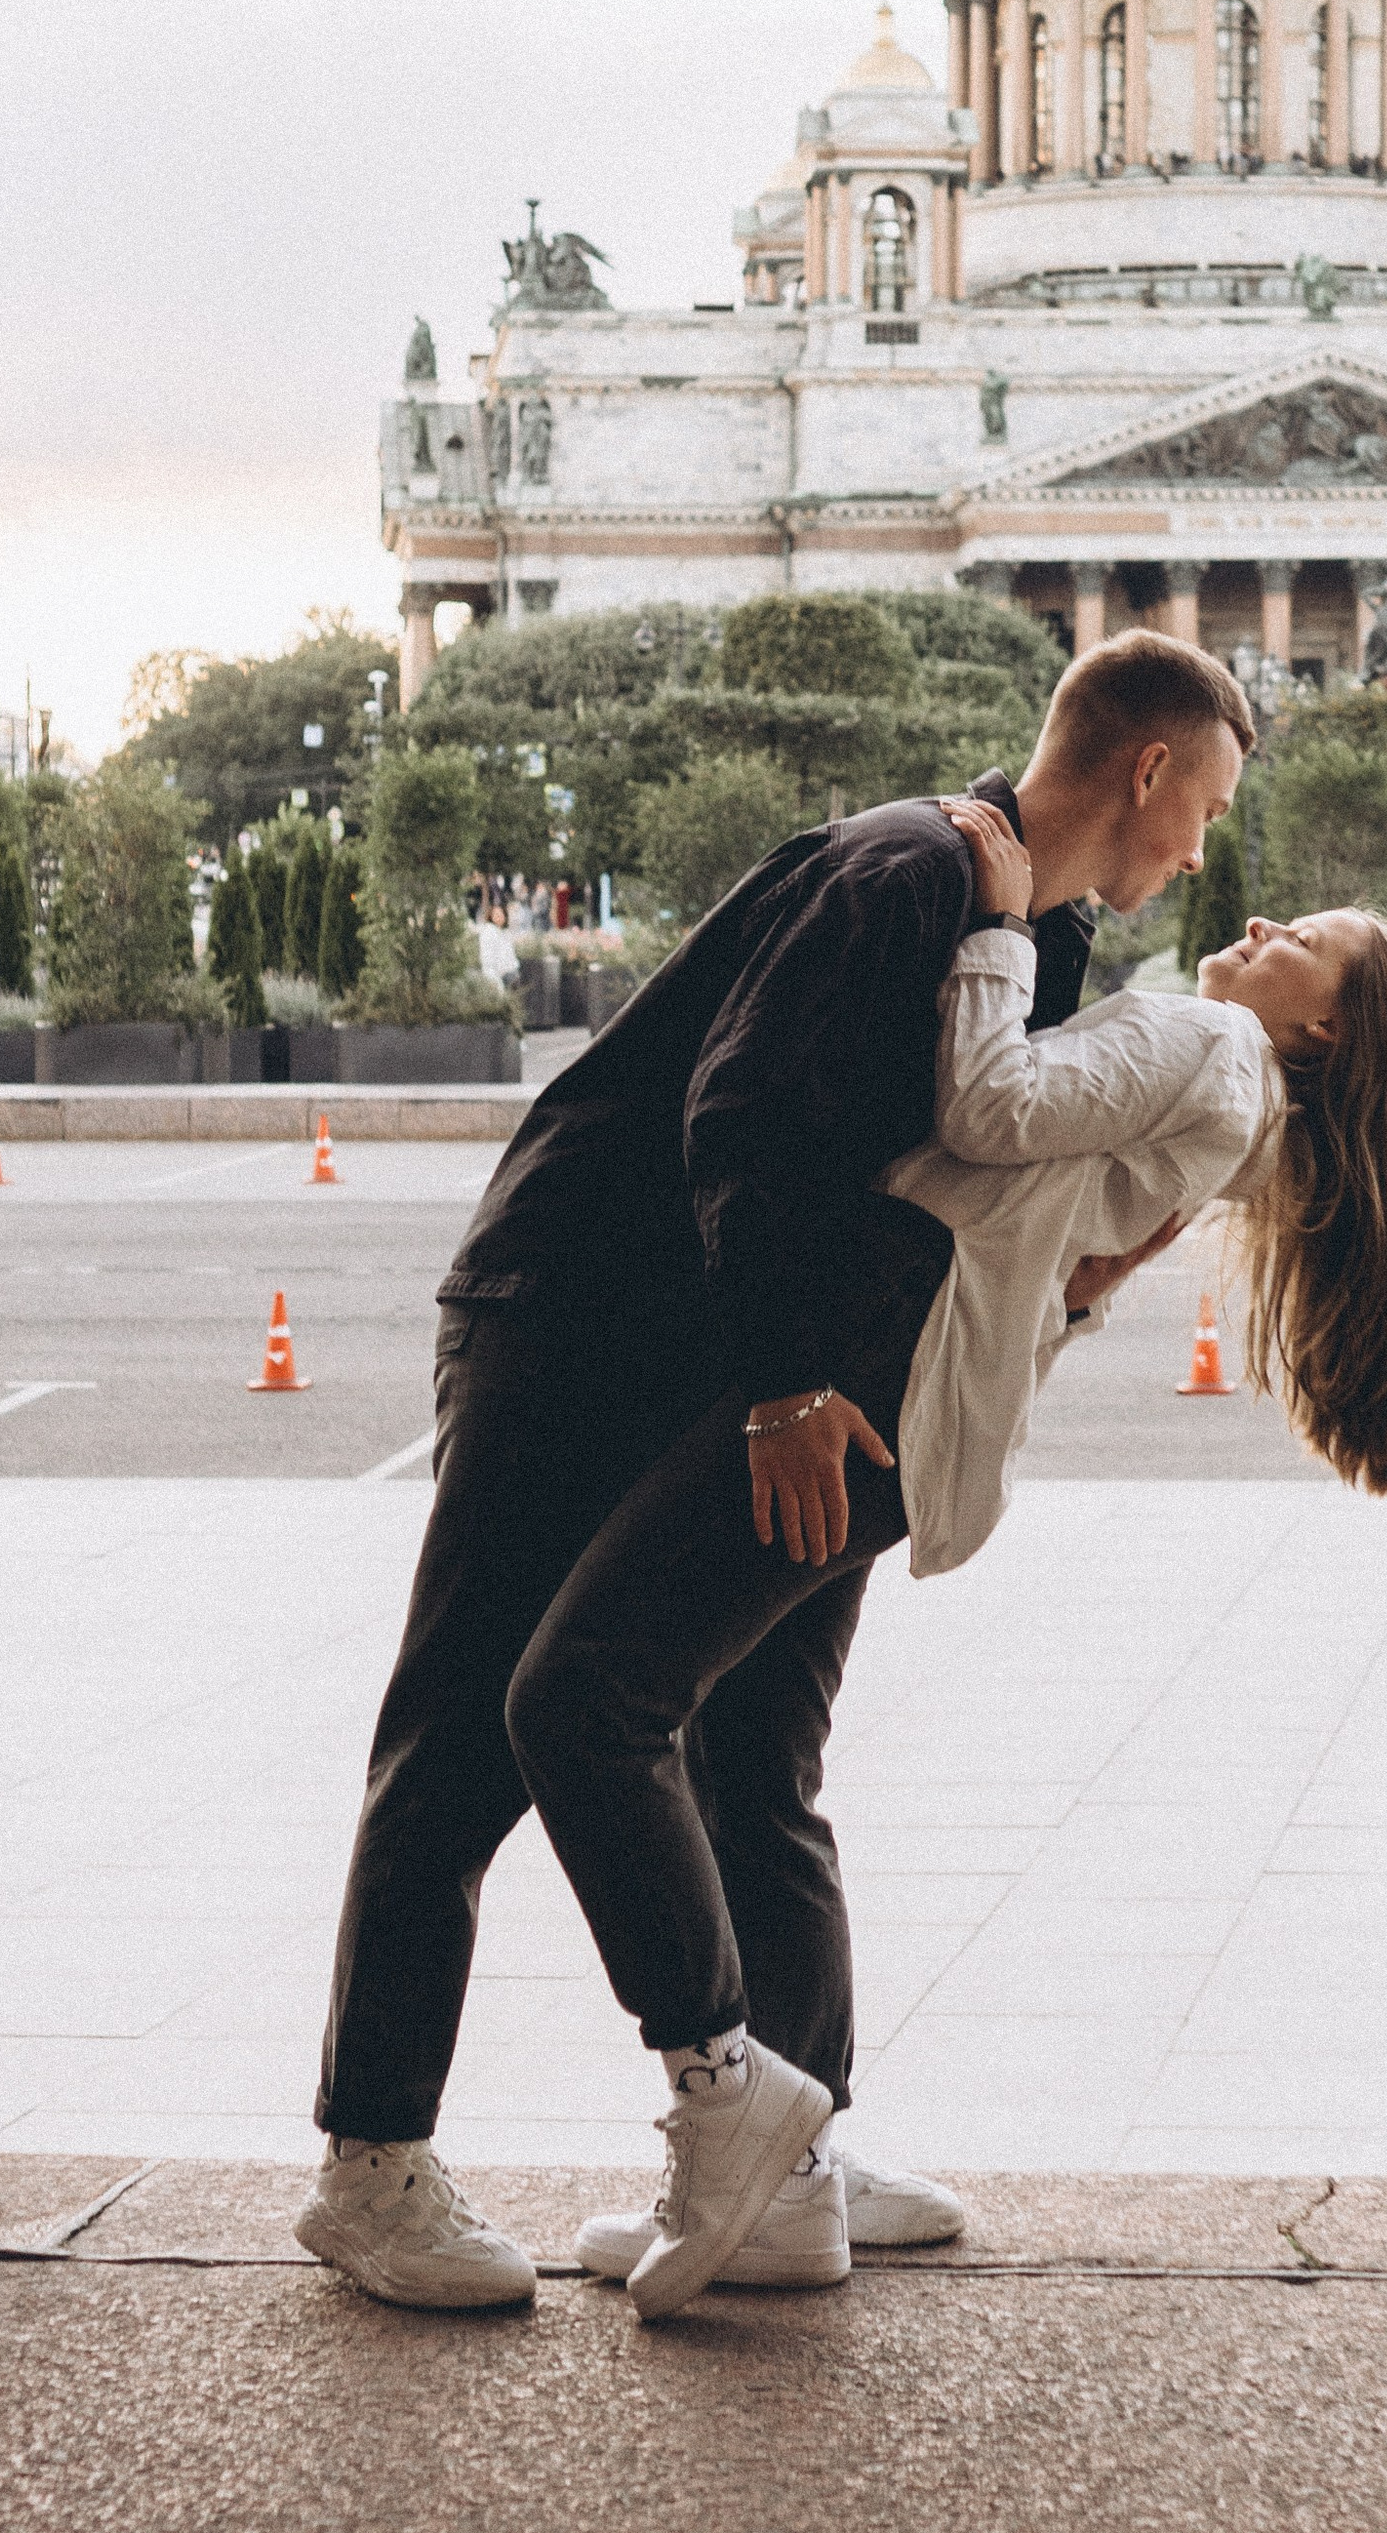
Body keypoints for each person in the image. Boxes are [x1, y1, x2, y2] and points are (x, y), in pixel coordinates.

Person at [294, 631, 1252, 2319]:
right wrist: (793, 1381)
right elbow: (742, 1115)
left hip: (740, 1357)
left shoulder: (1033, 928)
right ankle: (372, 2164)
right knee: (469, 1732)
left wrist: (1075, 1278)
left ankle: (790, 2160)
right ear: (1150, 769)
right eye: (1210, 809)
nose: (1202, 852)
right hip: (581, 1311)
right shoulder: (908, 868)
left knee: (762, 1749)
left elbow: (968, 1169)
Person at [562, 809, 1387, 2298]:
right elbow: (1064, 1251)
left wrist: (992, 922)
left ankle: (744, 2110)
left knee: (595, 1699)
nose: (1259, 924)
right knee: (759, 1761)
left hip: (864, 1374)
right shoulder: (1241, 1113)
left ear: (1327, 1031)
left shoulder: (1208, 1044)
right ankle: (799, 2172)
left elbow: (986, 1107)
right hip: (920, 1407)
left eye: (1303, 943)